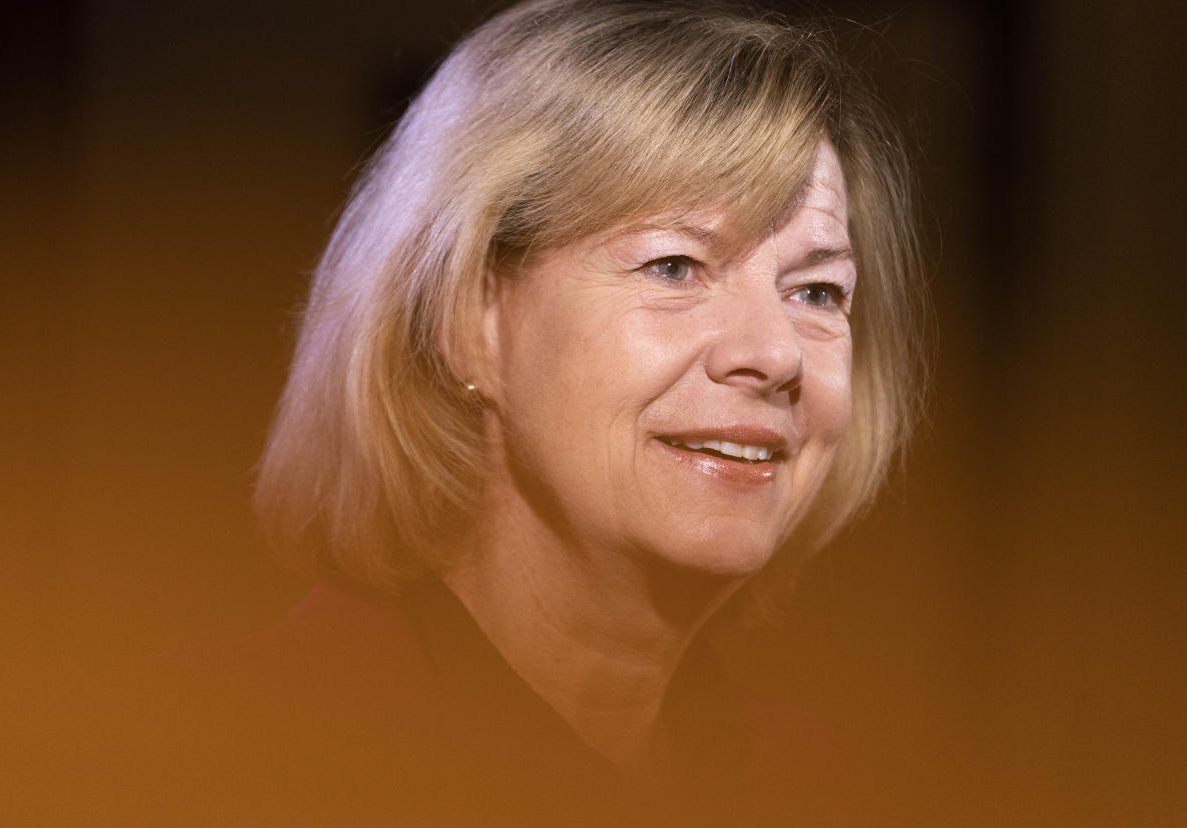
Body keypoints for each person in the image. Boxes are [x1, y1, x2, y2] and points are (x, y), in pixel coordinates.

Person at [110, 0, 925, 823]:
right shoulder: (172, 760)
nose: (777, 352)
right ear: (472, 321)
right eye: (675, 266)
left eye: (818, 291)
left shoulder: (821, 789)